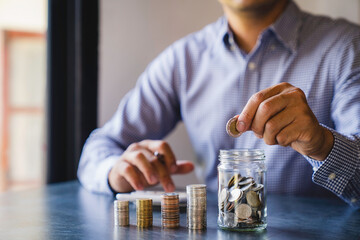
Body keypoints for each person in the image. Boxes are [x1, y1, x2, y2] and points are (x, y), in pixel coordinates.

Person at [78, 0, 360, 208]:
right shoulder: (183, 61)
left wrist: (322, 143)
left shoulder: (348, 48)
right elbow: (97, 149)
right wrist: (117, 170)